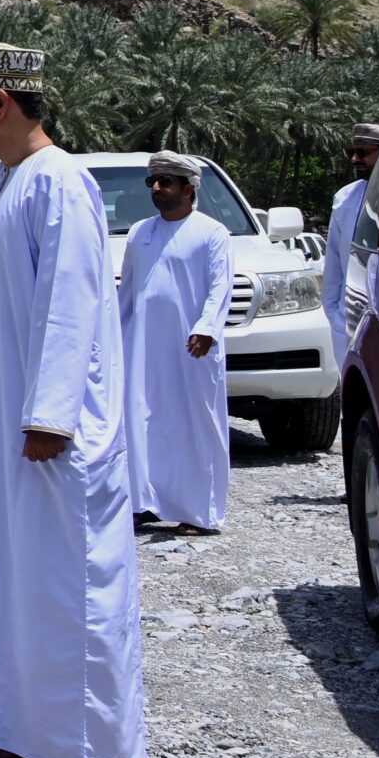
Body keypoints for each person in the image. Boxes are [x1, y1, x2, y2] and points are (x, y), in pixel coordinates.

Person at [0, 41, 144, 758]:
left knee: (66, 581)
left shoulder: (61, 182)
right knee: (3, 571)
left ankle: (94, 755)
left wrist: (51, 413)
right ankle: (14, 727)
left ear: (1, 100)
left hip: (50, 427)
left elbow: (71, 303)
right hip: (0, 421)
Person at [120, 151, 235, 534]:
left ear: (188, 189)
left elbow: (220, 287)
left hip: (192, 347)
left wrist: (206, 328)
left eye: (166, 181)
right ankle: (144, 503)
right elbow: (128, 292)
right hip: (143, 348)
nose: (156, 187)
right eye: (152, 181)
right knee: (142, 420)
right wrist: (114, 337)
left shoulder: (212, 233)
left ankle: (199, 512)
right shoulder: (140, 232)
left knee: (194, 425)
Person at [326, 123, 379, 356]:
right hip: (349, 320)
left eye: (363, 153)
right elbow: (334, 261)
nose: (355, 159)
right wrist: (333, 313)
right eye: (353, 152)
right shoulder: (345, 198)